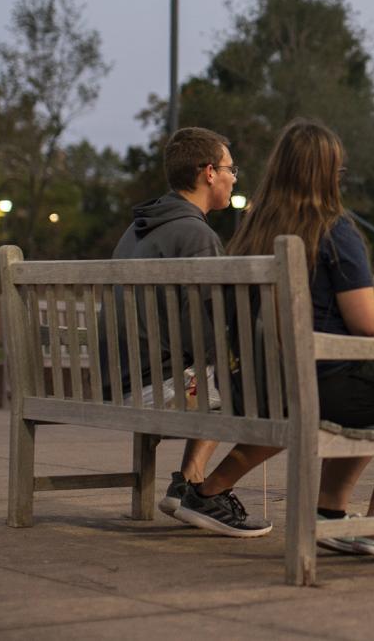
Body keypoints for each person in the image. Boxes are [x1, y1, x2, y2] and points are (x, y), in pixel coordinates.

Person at [176, 117, 374, 561]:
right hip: (309, 385)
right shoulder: (332, 228)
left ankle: (330, 514)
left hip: (246, 386)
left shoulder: (250, 231)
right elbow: (368, 324)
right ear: (329, 174)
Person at [97, 126, 276, 537]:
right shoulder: (196, 235)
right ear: (209, 172)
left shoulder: (140, 228)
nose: (235, 178)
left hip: (116, 380)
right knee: (265, 385)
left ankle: (188, 484)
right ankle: (207, 492)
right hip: (151, 388)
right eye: (231, 169)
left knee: (223, 372)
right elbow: (213, 338)